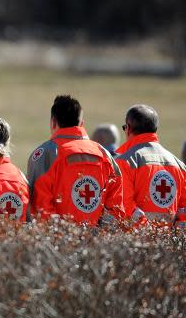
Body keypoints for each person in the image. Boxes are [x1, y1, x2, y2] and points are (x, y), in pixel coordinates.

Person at [27, 95, 124, 225]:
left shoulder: (45, 154)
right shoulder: (104, 154)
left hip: (59, 241)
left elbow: (40, 207)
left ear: (53, 122)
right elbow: (115, 208)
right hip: (99, 242)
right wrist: (100, 238)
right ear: (81, 123)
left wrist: (63, 236)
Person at [115, 105, 186, 225]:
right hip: (169, 241)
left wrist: (147, 231)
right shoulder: (179, 165)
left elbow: (124, 205)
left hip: (135, 240)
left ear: (128, 128)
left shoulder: (125, 161)